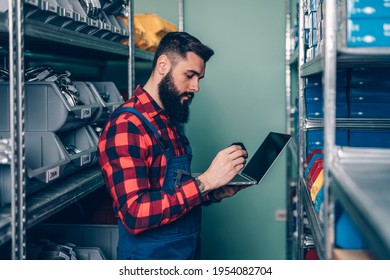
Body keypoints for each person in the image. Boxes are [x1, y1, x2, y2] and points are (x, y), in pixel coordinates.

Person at [97, 31, 248, 260]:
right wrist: (205, 182)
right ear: (163, 65)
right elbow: (135, 213)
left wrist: (214, 191)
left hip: (186, 254)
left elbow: (173, 191)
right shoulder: (127, 126)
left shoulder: (169, 120)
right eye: (189, 75)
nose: (195, 87)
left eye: (199, 78)